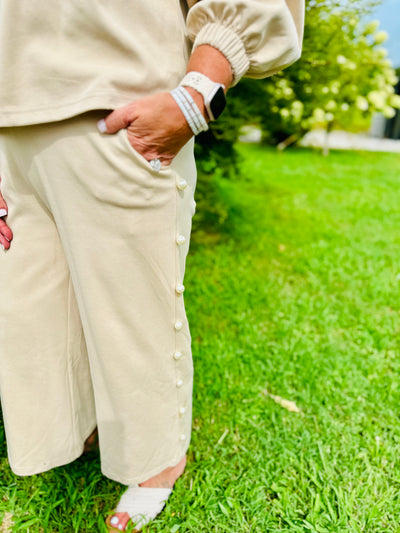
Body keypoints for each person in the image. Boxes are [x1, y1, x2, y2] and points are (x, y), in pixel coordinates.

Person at [0, 1, 304, 530]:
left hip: (118, 107)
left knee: (133, 309)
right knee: (36, 311)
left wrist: (196, 97)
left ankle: (156, 460)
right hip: (12, 122)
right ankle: (84, 429)